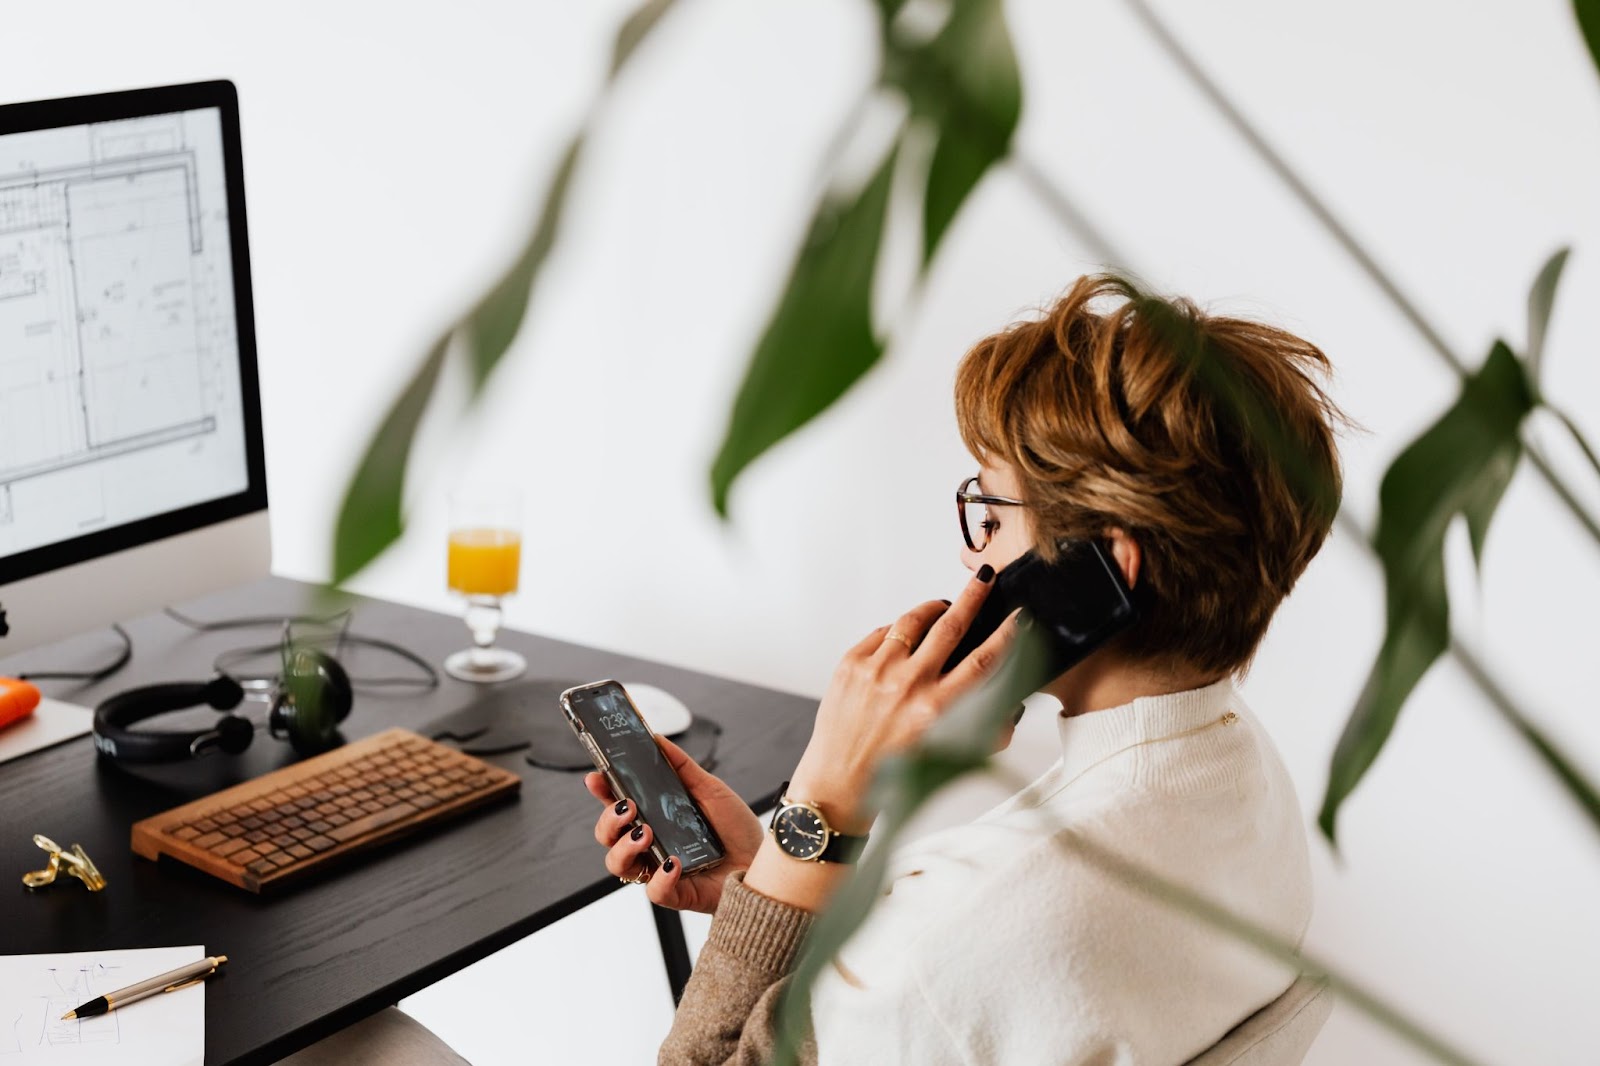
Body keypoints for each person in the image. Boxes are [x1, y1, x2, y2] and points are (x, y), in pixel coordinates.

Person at [588, 273, 1345, 1064]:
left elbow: (941, 972)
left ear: (1105, 573)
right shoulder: (1244, 778)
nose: (970, 550)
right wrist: (777, 874)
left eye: (990, 514)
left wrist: (823, 797)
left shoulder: (950, 946)